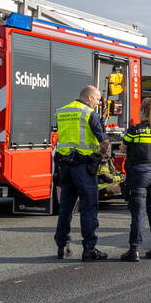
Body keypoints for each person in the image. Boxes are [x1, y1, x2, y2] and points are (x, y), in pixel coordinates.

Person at [53, 85, 111, 261]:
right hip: (84, 168)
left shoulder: (62, 111)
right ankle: (89, 249)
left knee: (66, 208)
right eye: (97, 100)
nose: (97, 104)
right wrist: (101, 154)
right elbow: (104, 141)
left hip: (65, 166)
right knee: (89, 207)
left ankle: (62, 246)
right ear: (89, 97)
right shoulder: (89, 113)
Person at [120, 97, 151, 262]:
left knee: (138, 213)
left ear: (143, 111)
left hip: (141, 173)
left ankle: (134, 250)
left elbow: (123, 146)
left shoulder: (135, 129)